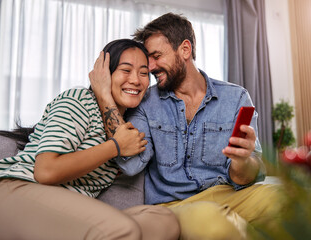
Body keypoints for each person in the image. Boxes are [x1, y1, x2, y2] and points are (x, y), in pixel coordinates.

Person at [90, 13, 282, 240]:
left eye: (156, 56)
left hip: (229, 193)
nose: (149, 67)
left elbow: (246, 177)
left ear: (185, 50)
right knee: (209, 219)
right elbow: (131, 164)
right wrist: (104, 96)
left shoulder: (236, 98)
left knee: (285, 199)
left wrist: (242, 160)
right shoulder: (146, 102)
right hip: (173, 204)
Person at [0, 39, 180, 240]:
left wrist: (106, 100)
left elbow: (133, 161)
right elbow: (45, 171)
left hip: (61, 216)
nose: (136, 80)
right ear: (105, 74)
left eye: (144, 73)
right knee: (124, 229)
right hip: (14, 199)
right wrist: (115, 146)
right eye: (126, 70)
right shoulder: (79, 100)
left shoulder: (127, 127)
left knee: (163, 222)